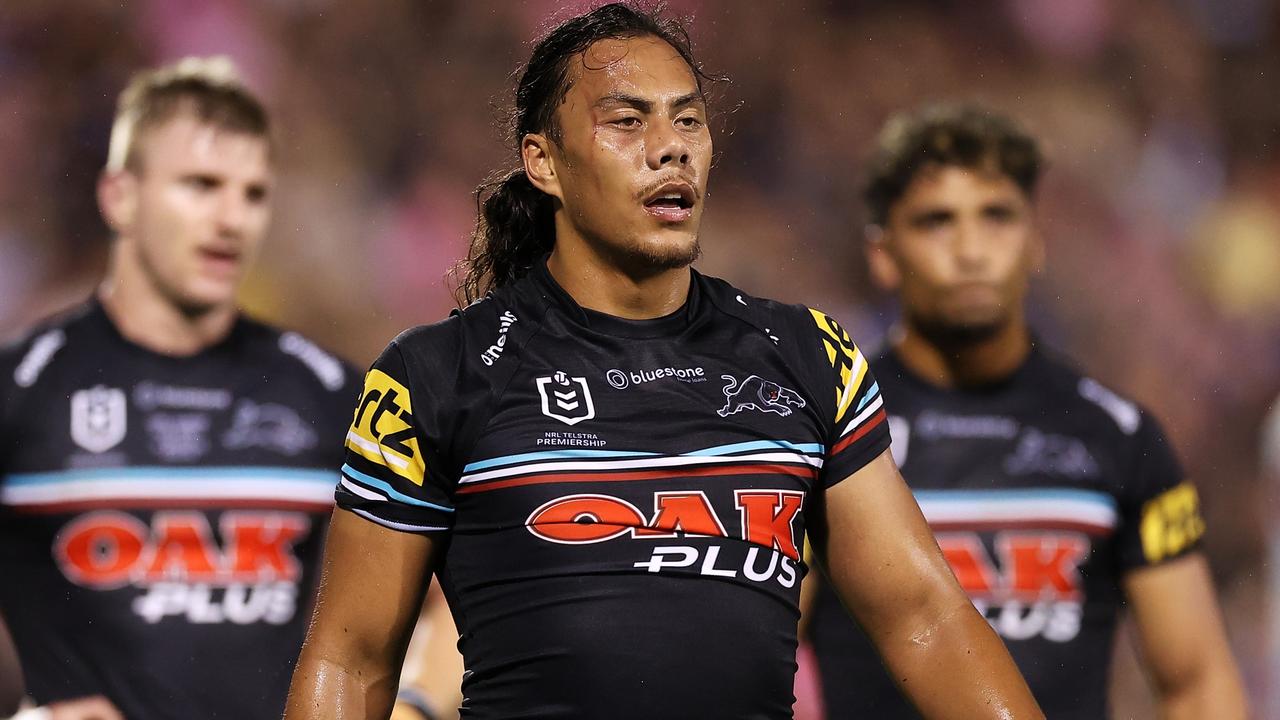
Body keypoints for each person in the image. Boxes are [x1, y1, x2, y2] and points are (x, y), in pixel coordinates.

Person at [286, 5, 1043, 719]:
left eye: (688, 119)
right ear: (543, 162)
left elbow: (925, 617)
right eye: (627, 121)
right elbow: (351, 658)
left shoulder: (808, 355)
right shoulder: (435, 375)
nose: (671, 145)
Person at [802, 105, 1250, 719]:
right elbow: (754, 655)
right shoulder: (821, 432)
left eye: (997, 217)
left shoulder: (1118, 436)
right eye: (937, 222)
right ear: (883, 254)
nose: (971, 250)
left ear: (1035, 240)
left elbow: (1197, 682)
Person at [0, 57, 359, 719]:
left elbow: (457, 592)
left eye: (253, 193)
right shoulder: (20, 391)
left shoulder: (337, 397)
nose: (232, 219)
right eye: (201, 185)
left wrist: (413, 703)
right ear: (120, 197)